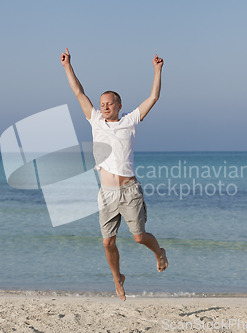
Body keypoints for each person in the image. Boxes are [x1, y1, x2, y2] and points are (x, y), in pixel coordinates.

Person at [60, 48, 168, 301]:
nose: (105, 107)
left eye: (109, 104)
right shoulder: (95, 121)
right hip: (106, 194)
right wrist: (67, 66)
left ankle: (159, 252)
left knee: (139, 237)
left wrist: (157, 70)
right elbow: (78, 92)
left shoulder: (130, 121)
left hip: (129, 190)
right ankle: (117, 277)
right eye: (102, 104)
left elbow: (153, 97)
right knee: (108, 243)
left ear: (119, 106)